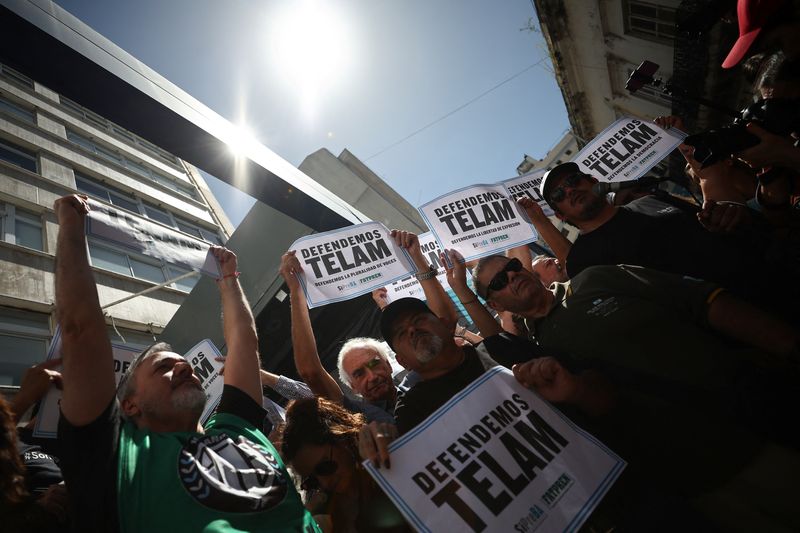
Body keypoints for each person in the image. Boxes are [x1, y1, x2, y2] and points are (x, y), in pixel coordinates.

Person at [53, 194, 319, 532]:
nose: (184, 367)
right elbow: (80, 329)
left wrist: (228, 279)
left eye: (183, 363)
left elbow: (244, 342)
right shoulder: (119, 457)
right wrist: (70, 226)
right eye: (163, 367)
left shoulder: (238, 428)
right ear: (129, 405)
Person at [280, 230, 457, 418]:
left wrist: (416, 258)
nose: (372, 377)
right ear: (352, 387)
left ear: (391, 364)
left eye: (374, 363)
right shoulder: (360, 418)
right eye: (358, 374)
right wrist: (296, 291)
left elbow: (445, 324)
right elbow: (310, 372)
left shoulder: (422, 380)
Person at [282, 397, 411, 532]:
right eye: (311, 481)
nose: (325, 483)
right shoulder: (327, 514)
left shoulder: (382, 454)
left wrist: (398, 451)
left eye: (325, 467)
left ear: (342, 439)